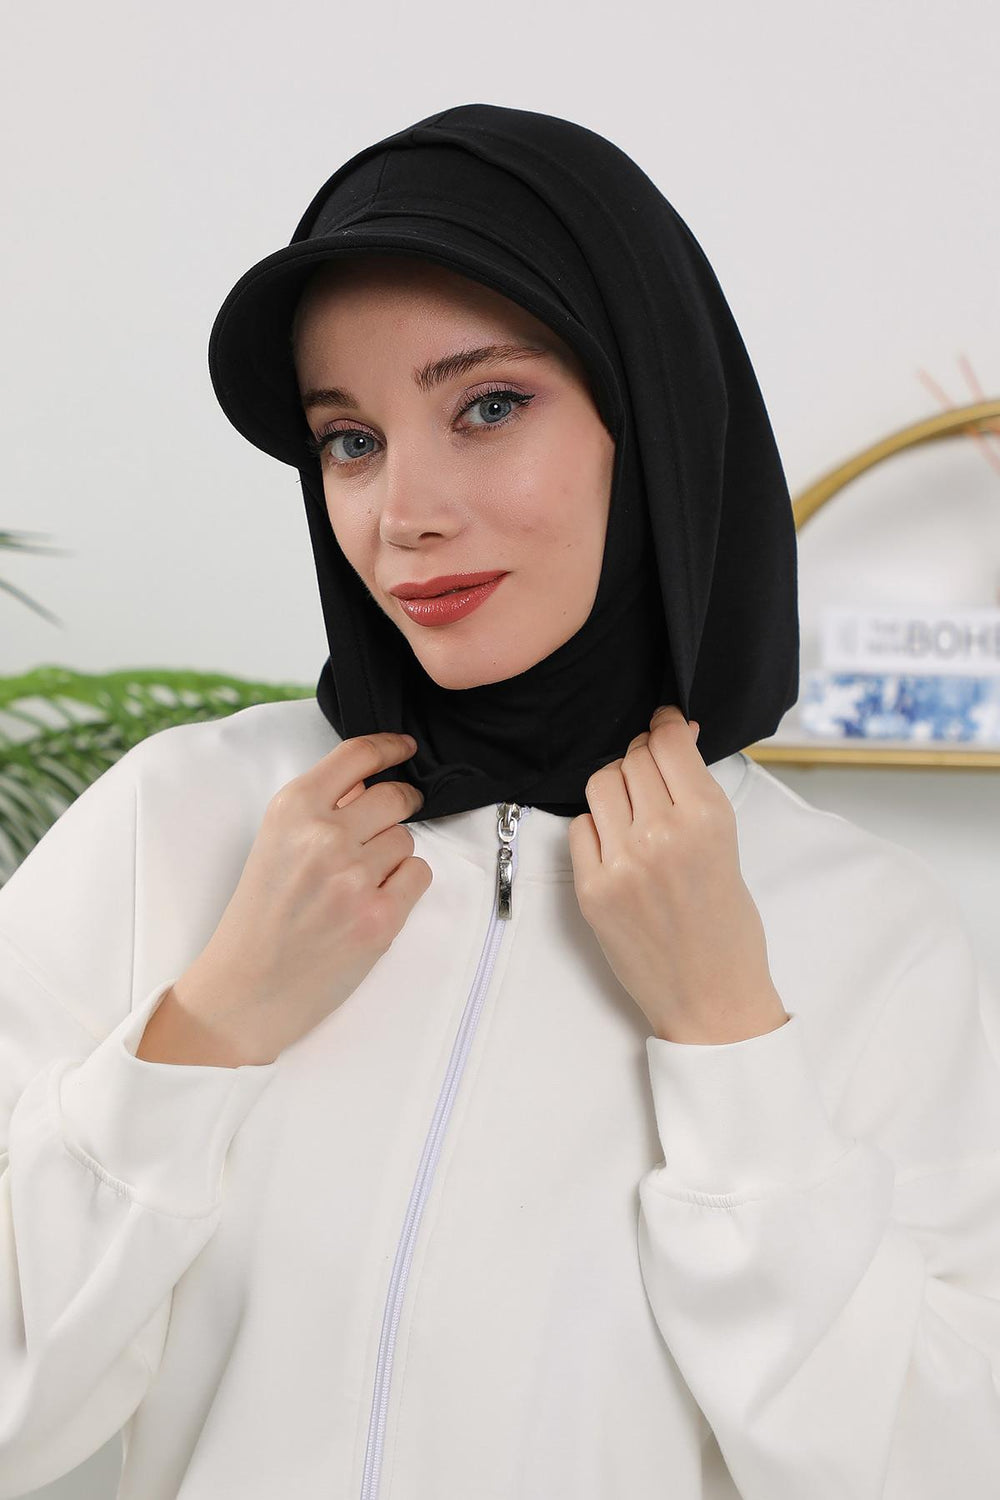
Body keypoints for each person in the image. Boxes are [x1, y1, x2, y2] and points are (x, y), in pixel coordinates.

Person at [1, 101, 998, 1500]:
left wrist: (726, 1035)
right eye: (350, 439)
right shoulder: (176, 827)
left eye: (487, 406)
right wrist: (211, 1026)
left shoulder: (869, 933)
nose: (402, 511)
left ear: (646, 422)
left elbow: (932, 1467)